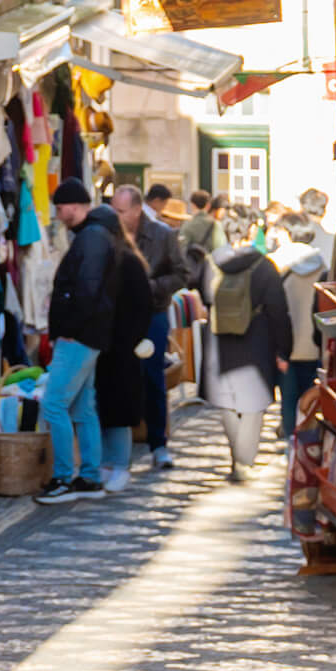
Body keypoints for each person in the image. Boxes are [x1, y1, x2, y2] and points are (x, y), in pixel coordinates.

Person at [36, 181, 119, 504]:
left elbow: (88, 288)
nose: (58, 215)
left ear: (75, 205)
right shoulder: (94, 235)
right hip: (88, 333)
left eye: (60, 208)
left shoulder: (92, 238)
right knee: (83, 408)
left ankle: (63, 478)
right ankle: (90, 477)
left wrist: (69, 328)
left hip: (80, 335)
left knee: (54, 403)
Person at [113, 182, 193, 471]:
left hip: (152, 313)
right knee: (119, 377)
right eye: (114, 209)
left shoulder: (162, 234)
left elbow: (183, 274)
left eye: (121, 210)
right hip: (119, 317)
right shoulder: (111, 234)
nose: (116, 215)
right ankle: (120, 446)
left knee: (152, 377)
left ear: (136, 209)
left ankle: (158, 443)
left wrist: (153, 287)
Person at [195, 245, 292, 480]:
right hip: (256, 339)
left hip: (219, 340)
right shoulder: (265, 267)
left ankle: (237, 459)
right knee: (253, 405)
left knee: (227, 402)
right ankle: (244, 462)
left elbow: (203, 298)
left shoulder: (214, 265)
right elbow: (278, 310)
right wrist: (284, 349)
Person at [95, 224, 157, 494]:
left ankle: (119, 464)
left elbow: (144, 305)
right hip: (107, 346)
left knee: (119, 407)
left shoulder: (128, 263)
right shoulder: (111, 260)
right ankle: (109, 463)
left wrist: (130, 339)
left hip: (122, 347)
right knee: (107, 406)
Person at [272, 227, 328, 440]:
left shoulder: (283, 274)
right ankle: (310, 445)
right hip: (316, 348)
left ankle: (291, 446)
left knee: (289, 401)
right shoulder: (324, 270)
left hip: (289, 350)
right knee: (313, 404)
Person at [180, 187, 226, 259]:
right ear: (208, 205)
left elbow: (182, 249)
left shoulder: (188, 225)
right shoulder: (216, 224)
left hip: (194, 266)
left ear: (192, 205)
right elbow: (222, 248)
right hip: (213, 266)